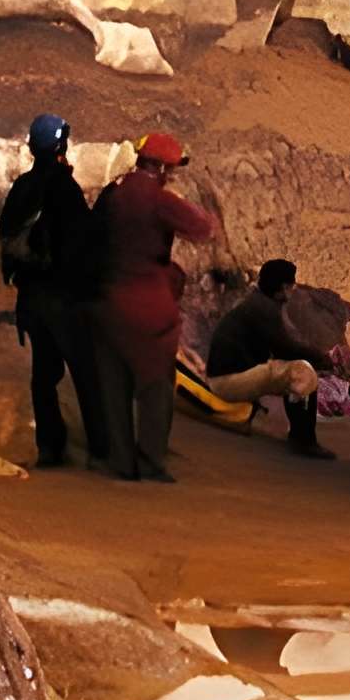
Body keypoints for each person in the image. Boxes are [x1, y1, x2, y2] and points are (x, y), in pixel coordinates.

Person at [92, 130, 217, 483]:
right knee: (155, 386)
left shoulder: (113, 194)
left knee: (113, 384)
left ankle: (121, 462)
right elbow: (202, 228)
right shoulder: (158, 200)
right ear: (162, 168)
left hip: (108, 300)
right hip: (147, 304)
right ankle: (150, 460)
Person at [0, 114, 109, 470]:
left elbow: (6, 236)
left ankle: (50, 448)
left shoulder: (22, 187)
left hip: (31, 298)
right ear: (61, 146)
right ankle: (103, 450)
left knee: (44, 376)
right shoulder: (64, 188)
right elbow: (82, 243)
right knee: (87, 374)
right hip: (63, 298)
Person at [199, 256, 335, 460]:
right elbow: (285, 347)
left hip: (227, 378)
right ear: (283, 286)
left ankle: (299, 435)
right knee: (302, 372)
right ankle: (304, 440)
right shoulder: (262, 308)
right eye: (291, 284)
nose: (293, 289)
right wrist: (320, 358)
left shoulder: (259, 303)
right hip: (227, 383)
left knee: (295, 370)